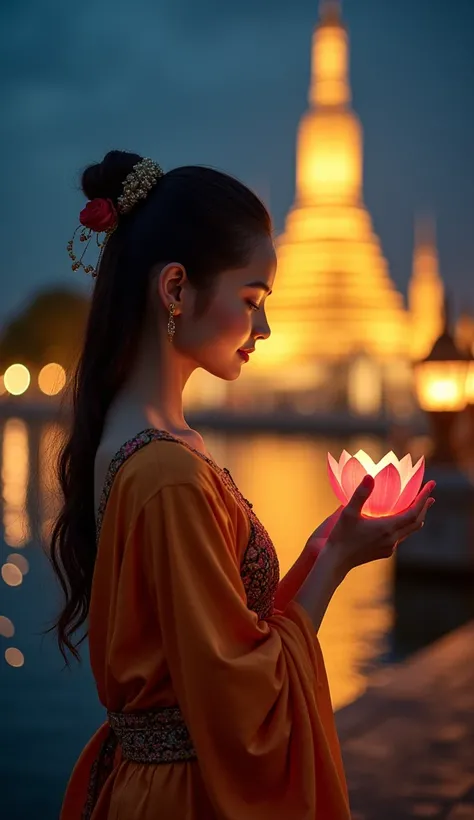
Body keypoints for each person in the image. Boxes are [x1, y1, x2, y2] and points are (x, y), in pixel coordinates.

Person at [51, 151, 435, 820]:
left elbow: (220, 646)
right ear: (175, 290)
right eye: (252, 300)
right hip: (190, 797)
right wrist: (338, 564)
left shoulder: (144, 444)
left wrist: (321, 548)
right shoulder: (167, 472)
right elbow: (242, 705)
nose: (264, 328)